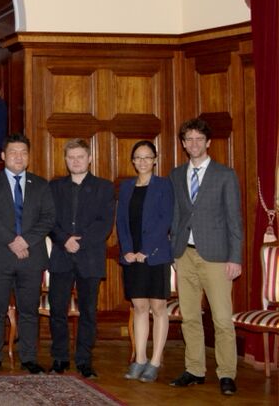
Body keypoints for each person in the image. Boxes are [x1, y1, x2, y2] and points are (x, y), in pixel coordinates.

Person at [168, 118, 242, 396]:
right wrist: (174, 251)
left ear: (208, 142)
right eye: (189, 139)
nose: (194, 144)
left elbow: (234, 220)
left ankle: (227, 373)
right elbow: (177, 216)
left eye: (199, 139)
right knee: (189, 317)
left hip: (217, 257)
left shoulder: (225, 175)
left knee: (222, 319)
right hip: (184, 256)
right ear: (183, 144)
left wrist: (235, 258)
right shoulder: (176, 175)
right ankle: (195, 369)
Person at [0, 133, 55, 375]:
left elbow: (48, 218)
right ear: (3, 155)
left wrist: (25, 241)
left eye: (23, 152)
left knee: (29, 311)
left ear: (28, 156)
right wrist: (12, 240)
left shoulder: (41, 184)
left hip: (31, 256)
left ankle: (29, 358)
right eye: (13, 152)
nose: (18, 157)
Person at [47, 139, 114, 378]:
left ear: (89, 159)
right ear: (66, 160)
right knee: (57, 310)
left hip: (90, 257)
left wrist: (80, 243)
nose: (75, 161)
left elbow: (104, 223)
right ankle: (60, 358)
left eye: (80, 157)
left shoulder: (104, 187)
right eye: (71, 157)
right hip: (61, 256)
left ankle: (84, 361)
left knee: (88, 312)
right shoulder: (54, 187)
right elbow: (49, 219)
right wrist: (65, 240)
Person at [117, 141, 174, 383]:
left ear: (155, 160)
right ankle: (140, 359)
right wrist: (128, 251)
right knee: (139, 307)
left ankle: (155, 361)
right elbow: (121, 221)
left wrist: (146, 251)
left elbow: (165, 220)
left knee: (158, 308)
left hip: (155, 255)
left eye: (147, 157)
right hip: (132, 257)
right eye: (138, 157)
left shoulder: (164, 185)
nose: (142, 161)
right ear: (132, 161)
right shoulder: (126, 187)